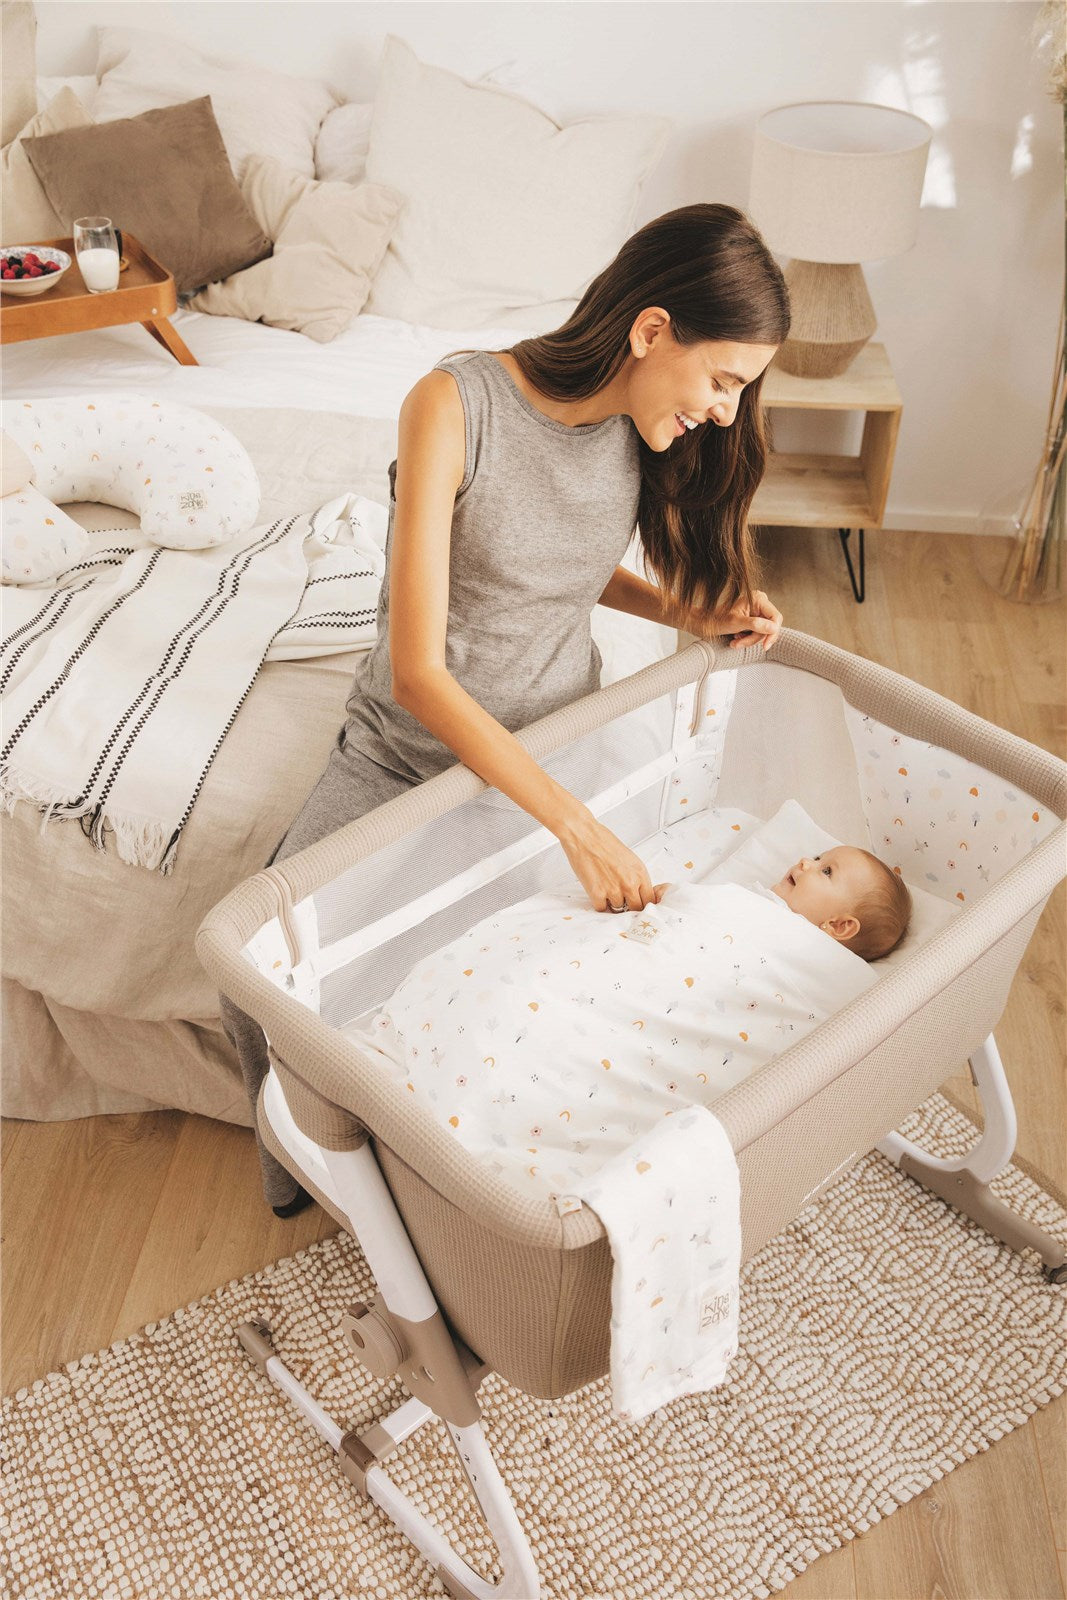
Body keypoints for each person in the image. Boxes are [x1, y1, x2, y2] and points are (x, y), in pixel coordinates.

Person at [219, 201, 792, 1213]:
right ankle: (310, 1183)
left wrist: (685, 610)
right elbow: (418, 676)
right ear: (651, 331)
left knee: (525, 1005)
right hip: (412, 755)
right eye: (723, 380)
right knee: (252, 980)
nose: (721, 410)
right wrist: (572, 827)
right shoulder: (454, 403)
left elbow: (565, 570)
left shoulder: (633, 427)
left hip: (559, 738)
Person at [345, 842, 912, 1200]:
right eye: (815, 854)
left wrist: (676, 897)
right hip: (621, 983)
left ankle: (453, 1110)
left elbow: (683, 903)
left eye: (825, 869)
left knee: (590, 1066)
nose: (803, 862)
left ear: (840, 929)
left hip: (668, 1027)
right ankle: (453, 1096)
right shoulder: (748, 906)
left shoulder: (818, 979)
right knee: (535, 1000)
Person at [770, 845, 913, 961]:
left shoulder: (797, 951)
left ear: (838, 926)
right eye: (817, 858)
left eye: (826, 871)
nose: (805, 861)